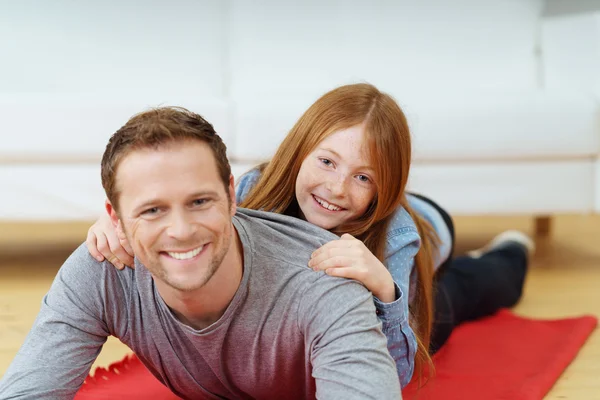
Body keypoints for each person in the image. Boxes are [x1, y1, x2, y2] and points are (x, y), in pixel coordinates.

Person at [86, 83, 534, 387]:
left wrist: (384, 286)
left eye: (364, 176)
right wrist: (120, 227)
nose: (337, 188)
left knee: (468, 292)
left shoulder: (395, 234)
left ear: (383, 184)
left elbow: (391, 371)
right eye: (326, 162)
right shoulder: (251, 191)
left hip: (423, 228)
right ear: (299, 152)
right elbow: (183, 228)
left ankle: (509, 251)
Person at [0, 107, 402, 399]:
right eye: (152, 209)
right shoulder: (104, 266)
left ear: (231, 196)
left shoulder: (328, 276)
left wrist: (386, 293)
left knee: (445, 284)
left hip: (404, 238)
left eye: (198, 202)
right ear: (115, 218)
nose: (180, 231)